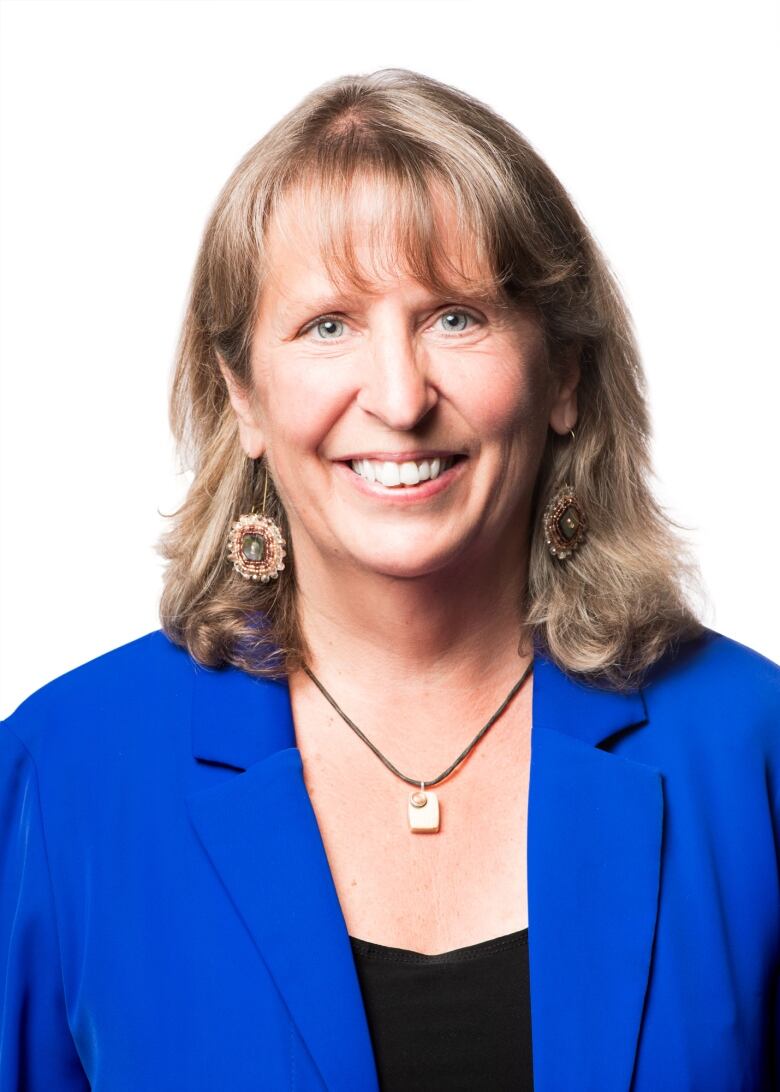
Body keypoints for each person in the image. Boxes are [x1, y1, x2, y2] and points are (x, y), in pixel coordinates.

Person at [1, 67, 778, 1092]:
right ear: (242, 393)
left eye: (457, 316)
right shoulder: (64, 774)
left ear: (566, 378)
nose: (402, 397)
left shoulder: (751, 748)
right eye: (329, 324)